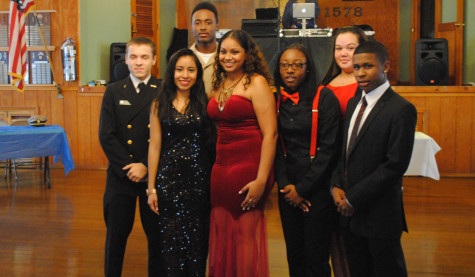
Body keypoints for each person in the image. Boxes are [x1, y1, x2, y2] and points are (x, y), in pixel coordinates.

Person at [331, 41, 417, 277]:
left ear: (385, 66)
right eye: (357, 67)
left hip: (379, 214)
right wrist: (336, 185)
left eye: (368, 66)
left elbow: (394, 165)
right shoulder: (352, 104)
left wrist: (353, 199)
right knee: (358, 270)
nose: (360, 73)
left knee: (388, 270)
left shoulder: (400, 109)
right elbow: (345, 152)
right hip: (350, 215)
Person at [207, 30, 277, 277]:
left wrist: (261, 180)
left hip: (250, 166)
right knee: (223, 231)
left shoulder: (255, 82)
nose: (228, 57)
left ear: (247, 55)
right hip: (221, 167)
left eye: (234, 51)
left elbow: (271, 134)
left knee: (245, 235)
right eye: (223, 51)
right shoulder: (218, 84)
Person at [274, 43, 341, 276]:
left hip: (317, 187)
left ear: (308, 68)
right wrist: (285, 187)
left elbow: (329, 149)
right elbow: (274, 145)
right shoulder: (275, 99)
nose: (290, 70)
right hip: (287, 188)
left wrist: (302, 189)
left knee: (316, 257)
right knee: (295, 255)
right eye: (284, 65)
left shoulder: (324, 97)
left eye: (296, 65)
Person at [99, 36, 161, 277]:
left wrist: (145, 166)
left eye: (144, 57)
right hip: (121, 175)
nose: (138, 62)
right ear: (125, 59)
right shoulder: (113, 91)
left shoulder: (164, 89)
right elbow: (107, 135)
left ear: (154, 60)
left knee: (157, 239)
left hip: (152, 177)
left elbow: (167, 134)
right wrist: (129, 166)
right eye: (133, 57)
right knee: (115, 237)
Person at [147, 48, 212, 276]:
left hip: (199, 183)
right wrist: (151, 188)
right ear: (171, 72)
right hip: (168, 182)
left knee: (197, 245)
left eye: (191, 70)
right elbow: (154, 146)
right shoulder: (158, 104)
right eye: (180, 69)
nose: (185, 75)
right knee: (171, 246)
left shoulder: (207, 103)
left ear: (198, 74)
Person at [321, 26, 367, 116]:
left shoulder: (371, 85)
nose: (343, 54)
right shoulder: (325, 85)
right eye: (338, 48)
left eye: (350, 48)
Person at [190, 1, 219, 97]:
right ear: (192, 27)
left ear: (217, 26)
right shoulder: (184, 57)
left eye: (208, 22)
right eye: (197, 23)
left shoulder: (227, 57)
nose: (202, 27)